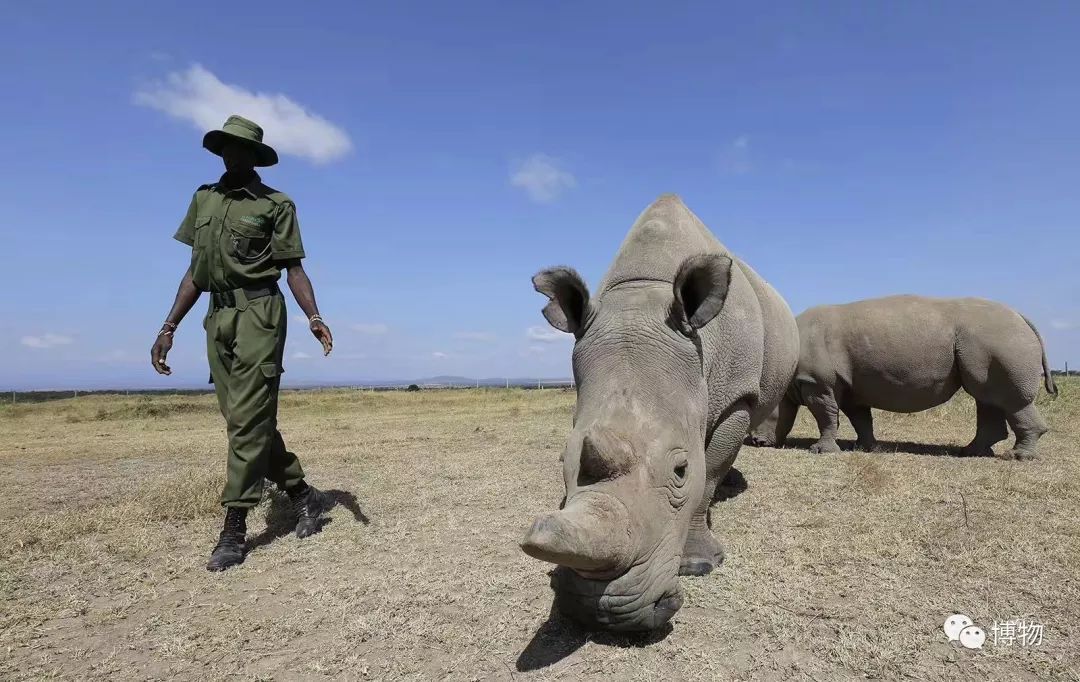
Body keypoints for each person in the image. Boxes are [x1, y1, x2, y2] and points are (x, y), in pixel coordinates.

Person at [151, 115, 335, 571]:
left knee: (247, 421)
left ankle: (234, 527)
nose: (231, 156)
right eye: (226, 148)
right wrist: (168, 326)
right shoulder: (204, 199)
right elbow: (196, 272)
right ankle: (303, 494)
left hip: (260, 314)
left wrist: (314, 316)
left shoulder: (276, 204)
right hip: (217, 317)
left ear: (255, 157)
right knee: (243, 419)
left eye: (240, 149)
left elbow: (293, 268)